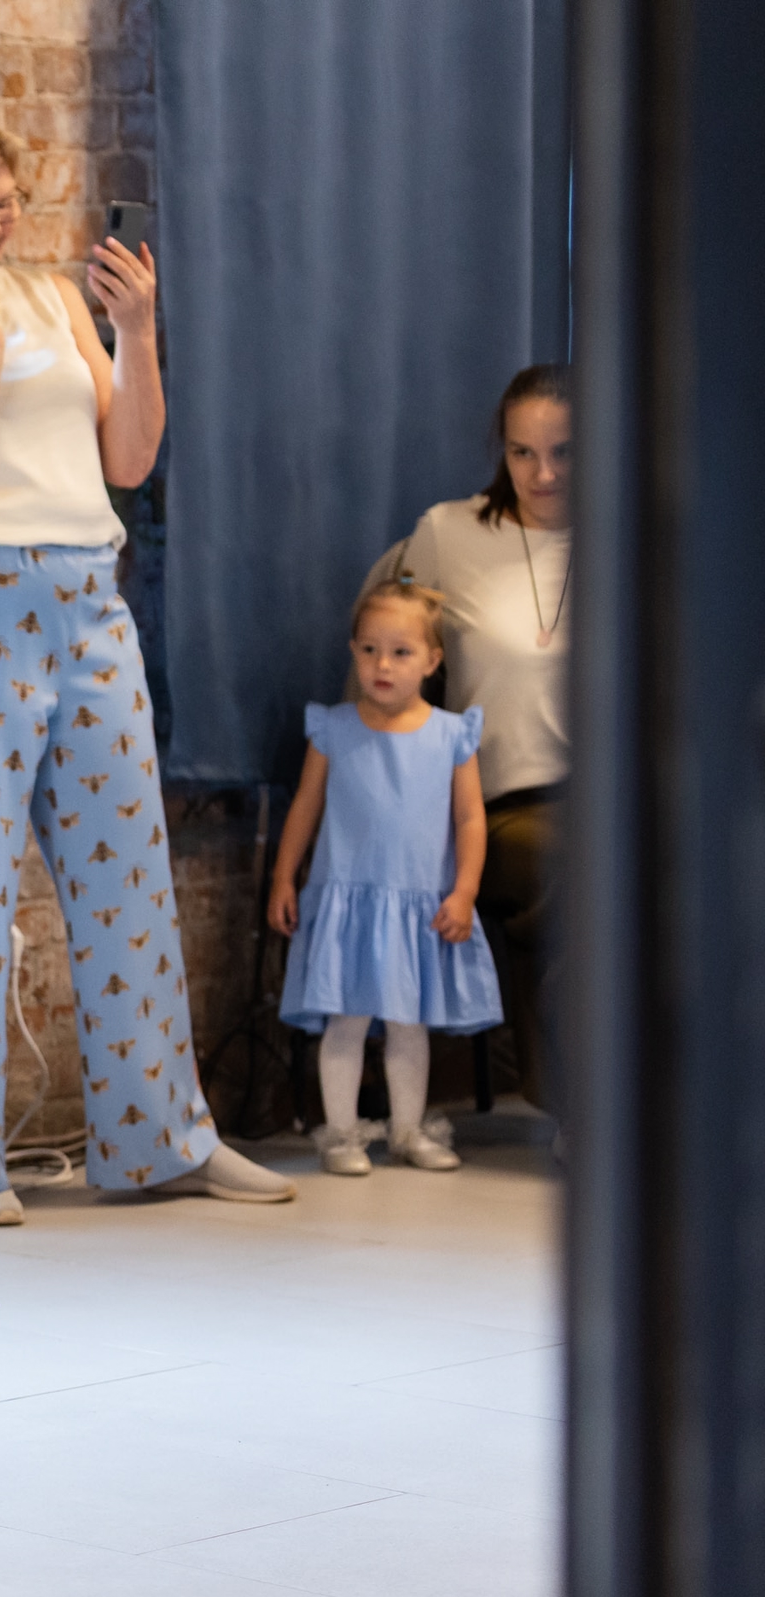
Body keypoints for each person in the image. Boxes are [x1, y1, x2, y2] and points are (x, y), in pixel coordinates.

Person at [0, 105, 294, 1225]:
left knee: (127, 876)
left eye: (3, 206)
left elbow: (127, 458)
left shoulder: (50, 297)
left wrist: (135, 332)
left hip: (88, 597)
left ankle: (160, 1143)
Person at [359, 364, 570, 1119]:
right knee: (583, 869)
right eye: (522, 453)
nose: (542, 474)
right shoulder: (450, 534)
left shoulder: (634, 538)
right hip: (501, 805)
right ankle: (585, 1103)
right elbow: (381, 654)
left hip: (614, 798)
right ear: (500, 450)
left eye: (564, 452)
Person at [268, 582, 503, 1173]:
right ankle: (341, 1135)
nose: (383, 665)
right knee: (345, 1021)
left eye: (401, 652)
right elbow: (305, 806)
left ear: (431, 660)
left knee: (407, 1023)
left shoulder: (451, 736)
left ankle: (407, 1131)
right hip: (347, 902)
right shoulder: (334, 728)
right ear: (353, 651)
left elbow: (470, 818)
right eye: (370, 649)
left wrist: (465, 890)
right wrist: (284, 878)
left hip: (417, 905)